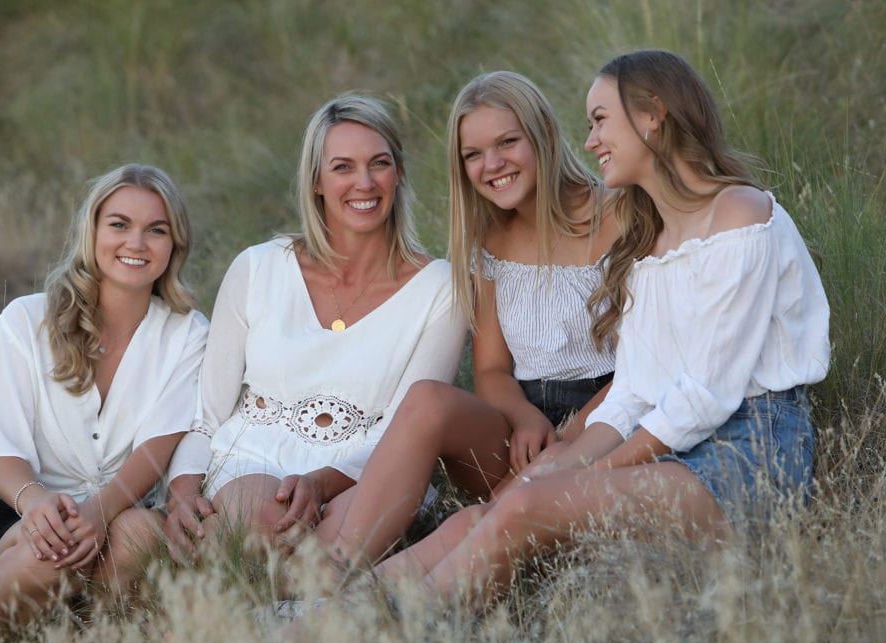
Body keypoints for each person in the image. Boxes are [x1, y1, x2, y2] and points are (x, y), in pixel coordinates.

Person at [372, 49, 831, 604]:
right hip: (669, 444)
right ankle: (332, 614)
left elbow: (706, 399)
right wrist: (556, 467)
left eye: (599, 120)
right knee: (491, 509)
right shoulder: (651, 242)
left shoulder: (737, 213)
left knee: (523, 506)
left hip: (747, 454)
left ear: (652, 116)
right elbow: (635, 389)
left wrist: (587, 475)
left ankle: (382, 637)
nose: (588, 141)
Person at [316, 71, 620, 566]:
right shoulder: (489, 243)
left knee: (478, 522)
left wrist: (568, 440)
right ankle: (339, 564)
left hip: (610, 414)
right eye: (473, 155)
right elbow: (492, 372)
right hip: (523, 427)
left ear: (543, 133)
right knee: (428, 400)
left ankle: (372, 595)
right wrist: (524, 418)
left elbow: (644, 363)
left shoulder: (619, 215)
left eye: (507, 142)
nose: (492, 164)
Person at [163, 94, 469, 563]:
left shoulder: (439, 287)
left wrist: (322, 483)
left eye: (379, 163)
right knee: (261, 522)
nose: (364, 183)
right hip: (253, 461)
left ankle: (308, 617)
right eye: (342, 167)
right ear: (316, 182)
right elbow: (208, 416)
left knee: (328, 554)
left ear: (399, 172)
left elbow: (405, 429)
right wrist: (182, 491)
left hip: (367, 468)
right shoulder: (258, 268)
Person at [0, 164, 209, 643]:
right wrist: (36, 504)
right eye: (119, 224)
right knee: (45, 548)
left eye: (156, 230)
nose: (136, 243)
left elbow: (160, 446)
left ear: (174, 244)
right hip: (27, 517)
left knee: (139, 533)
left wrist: (100, 510)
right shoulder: (26, 321)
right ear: (91, 232)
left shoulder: (188, 333)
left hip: (126, 522)